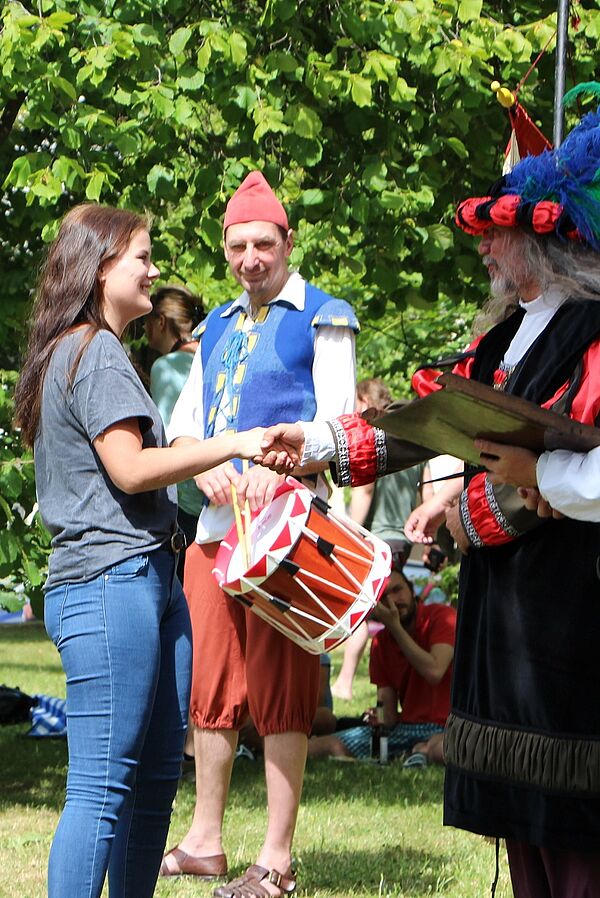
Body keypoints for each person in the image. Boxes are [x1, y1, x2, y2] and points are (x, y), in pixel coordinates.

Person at [261, 107, 600, 897]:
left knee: (578, 837)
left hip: (572, 622)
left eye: (496, 233)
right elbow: (427, 423)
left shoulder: (591, 330)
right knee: (529, 833)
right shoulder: (514, 330)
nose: (483, 248)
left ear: (545, 241)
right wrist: (313, 445)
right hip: (514, 624)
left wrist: (528, 482)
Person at [12, 203, 268, 898]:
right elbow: (127, 469)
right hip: (106, 583)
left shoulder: (104, 351)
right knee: (101, 783)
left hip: (151, 578)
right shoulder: (89, 349)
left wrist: (188, 451)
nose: (155, 271)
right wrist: (233, 443)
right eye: (142, 259)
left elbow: (140, 457)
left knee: (155, 774)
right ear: (99, 268)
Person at [161, 171, 358, 896]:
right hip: (214, 532)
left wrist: (278, 468)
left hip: (287, 533)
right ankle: (205, 843)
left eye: (263, 244)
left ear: (288, 243)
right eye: (238, 245)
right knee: (210, 691)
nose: (251, 258)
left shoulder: (323, 317)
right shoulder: (213, 324)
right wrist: (205, 468)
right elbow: (184, 426)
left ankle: (275, 858)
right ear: (225, 247)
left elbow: (341, 427)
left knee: (280, 690)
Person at [332, 377, 432, 701]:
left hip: (375, 538)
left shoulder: (373, 435)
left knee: (363, 610)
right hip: (403, 538)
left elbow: (365, 488)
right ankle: (390, 692)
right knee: (391, 615)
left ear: (367, 402)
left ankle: (345, 682)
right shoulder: (414, 438)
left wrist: (347, 531)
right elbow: (426, 494)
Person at [309, 563, 455, 763]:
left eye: (398, 590)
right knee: (324, 746)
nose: (394, 601)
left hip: (449, 727)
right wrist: (378, 717)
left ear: (412, 591)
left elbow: (434, 671)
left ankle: (421, 752)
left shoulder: (441, 618)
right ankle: (260, 750)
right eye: (384, 597)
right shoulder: (380, 643)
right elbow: (389, 715)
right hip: (404, 730)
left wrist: (395, 627)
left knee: (442, 748)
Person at [145, 284, 205, 554]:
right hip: (225, 495)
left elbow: (167, 438)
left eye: (147, 322)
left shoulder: (165, 366)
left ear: (160, 322)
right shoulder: (210, 356)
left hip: (188, 504)